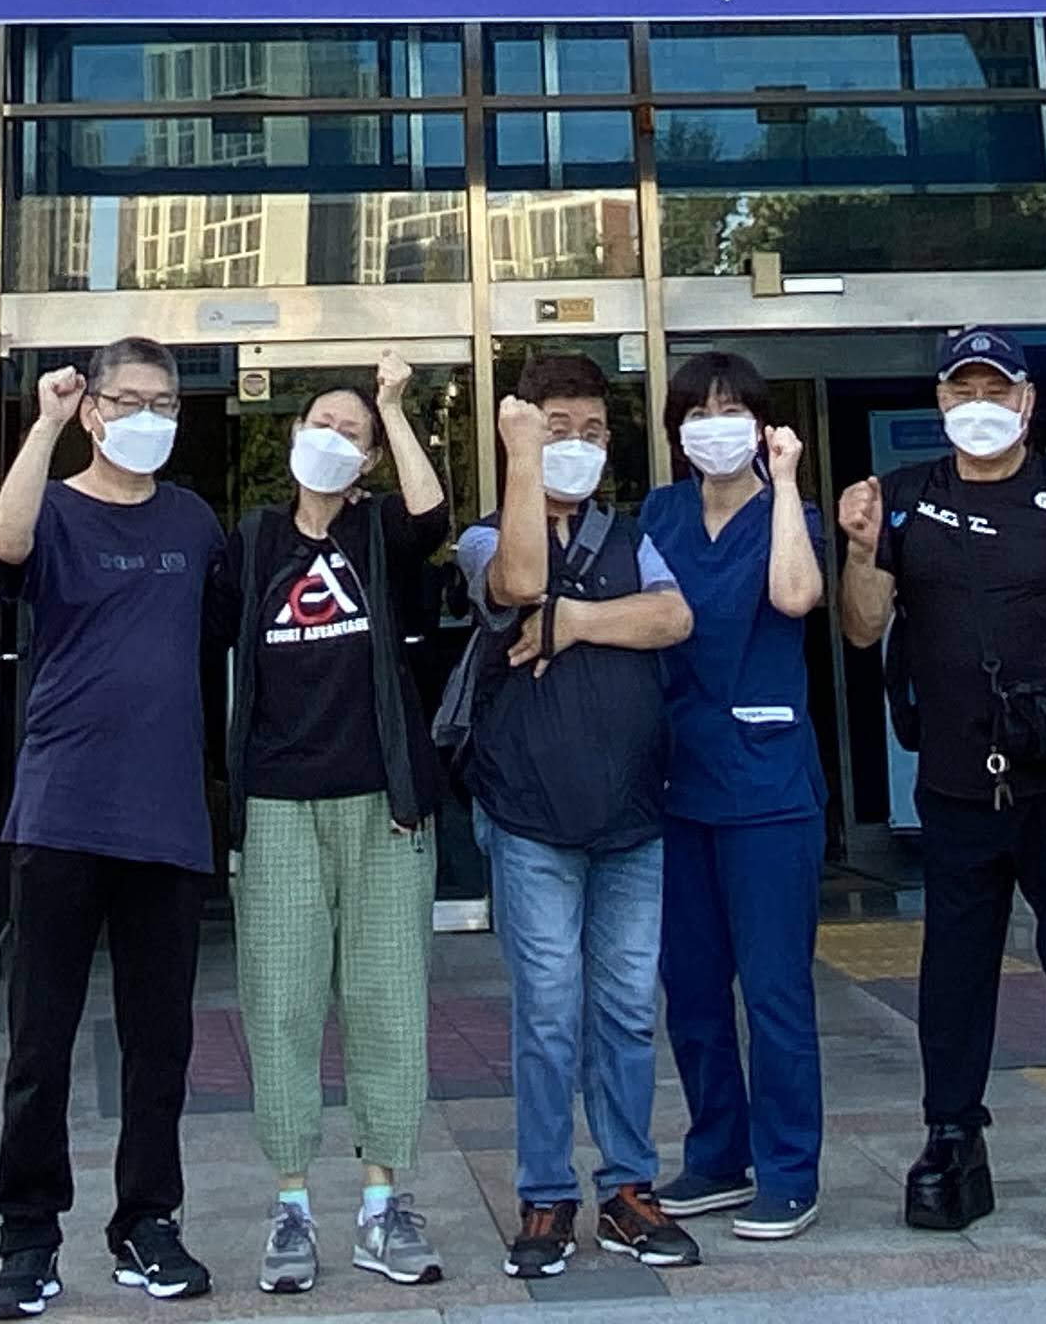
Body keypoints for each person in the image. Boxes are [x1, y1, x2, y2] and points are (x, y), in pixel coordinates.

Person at [836, 327, 1046, 1245]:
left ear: (1026, 400)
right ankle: (951, 1143)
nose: (980, 405)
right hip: (953, 781)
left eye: (996, 389)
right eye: (962, 390)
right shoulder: (902, 498)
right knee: (952, 971)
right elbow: (861, 630)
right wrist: (860, 551)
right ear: (940, 401)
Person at [0, 340, 226, 1316]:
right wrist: (42, 423)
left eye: (164, 403)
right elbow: (6, 544)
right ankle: (27, 1239)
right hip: (62, 811)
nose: (149, 418)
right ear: (93, 410)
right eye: (129, 401)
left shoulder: (195, 521)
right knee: (39, 1043)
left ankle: (147, 1222)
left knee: (158, 1043)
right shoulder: (53, 507)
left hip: (166, 817)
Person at [457, 353, 699, 1281]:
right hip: (531, 820)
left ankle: (630, 1188)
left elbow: (673, 620)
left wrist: (581, 623)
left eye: (593, 430)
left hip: (634, 815)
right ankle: (546, 1194)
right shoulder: (484, 537)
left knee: (629, 1010)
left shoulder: (632, 539)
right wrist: (524, 459)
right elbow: (519, 582)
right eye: (557, 426)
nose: (579, 445)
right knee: (549, 1014)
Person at [226, 360, 454, 1294]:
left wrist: (393, 408)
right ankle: (290, 1205)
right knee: (280, 1004)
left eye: (350, 432)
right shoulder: (254, 540)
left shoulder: (379, 533)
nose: (331, 436)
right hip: (279, 803)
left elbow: (433, 516)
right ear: (293, 438)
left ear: (367, 461)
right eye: (320, 421)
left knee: (386, 1001)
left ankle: (381, 1203)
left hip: (383, 806)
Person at [640, 351, 829, 1243]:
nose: (713, 426)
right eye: (696, 412)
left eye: (732, 411)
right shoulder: (660, 513)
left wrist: (784, 483)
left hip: (767, 787)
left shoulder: (793, 515)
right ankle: (718, 1153)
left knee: (776, 989)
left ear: (762, 425)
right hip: (678, 779)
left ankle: (789, 1169)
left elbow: (795, 596)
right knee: (691, 987)